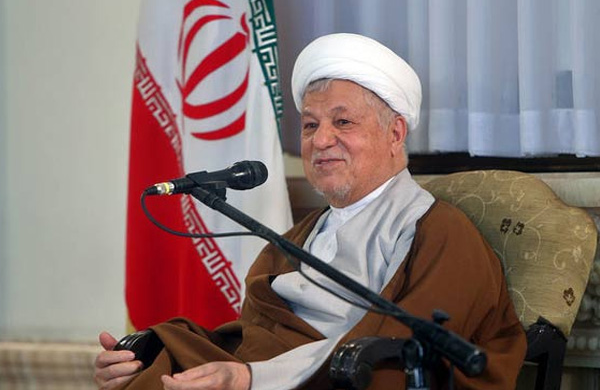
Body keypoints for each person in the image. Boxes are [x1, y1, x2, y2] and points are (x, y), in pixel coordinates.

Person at [95, 33, 526, 390]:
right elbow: (252, 339)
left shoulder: (439, 232)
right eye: (310, 125)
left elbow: (402, 349)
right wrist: (147, 357)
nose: (320, 141)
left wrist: (252, 378)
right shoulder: (297, 238)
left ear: (395, 133)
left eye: (343, 122)